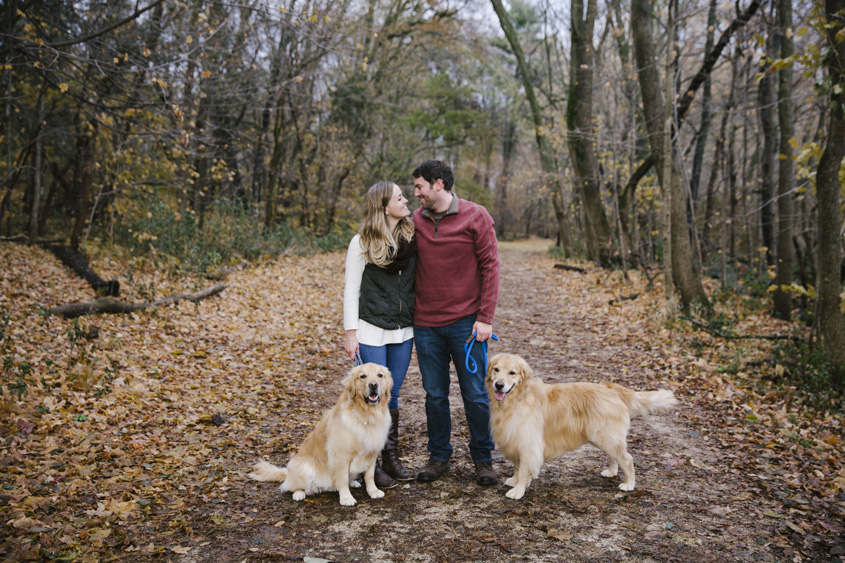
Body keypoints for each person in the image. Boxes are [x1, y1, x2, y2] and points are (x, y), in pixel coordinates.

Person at [410, 159, 501, 486]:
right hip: (426, 325)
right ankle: (438, 456)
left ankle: (483, 459)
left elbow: (491, 266)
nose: (415, 193)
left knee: (475, 394)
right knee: (434, 394)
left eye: (419, 186)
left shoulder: (476, 215)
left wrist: (485, 318)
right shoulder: (415, 221)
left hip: (467, 325)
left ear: (438, 184)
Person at [343, 181, 416, 489]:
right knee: (370, 396)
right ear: (385, 206)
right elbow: (351, 290)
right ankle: (370, 464)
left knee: (392, 395)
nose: (406, 199)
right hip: (371, 329)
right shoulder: (361, 243)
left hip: (404, 330)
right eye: (400, 197)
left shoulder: (412, 237)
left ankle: (390, 459)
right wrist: (350, 332)